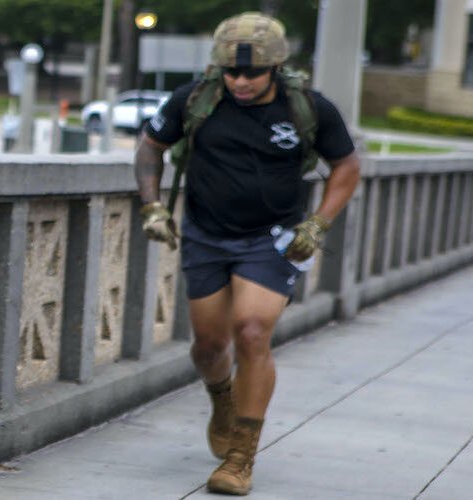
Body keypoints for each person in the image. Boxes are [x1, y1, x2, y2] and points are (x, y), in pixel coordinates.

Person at [132, 12, 361, 496]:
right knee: (210, 346)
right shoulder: (194, 100)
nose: (239, 81)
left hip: (273, 237)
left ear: (275, 68)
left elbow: (346, 165)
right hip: (206, 235)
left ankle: (240, 458)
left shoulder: (309, 108)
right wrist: (153, 207)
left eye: (251, 73)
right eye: (231, 72)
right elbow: (150, 147)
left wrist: (318, 222)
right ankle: (222, 398)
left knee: (253, 332)